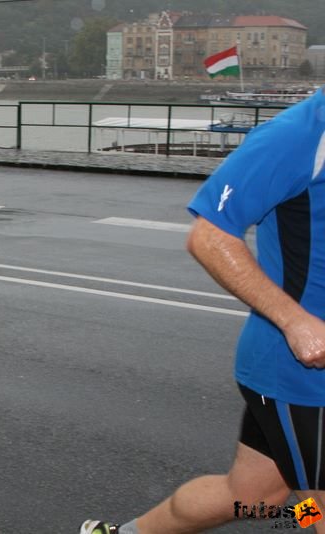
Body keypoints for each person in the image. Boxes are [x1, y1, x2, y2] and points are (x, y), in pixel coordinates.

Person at [80, 86, 325, 533]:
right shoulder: (298, 137)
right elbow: (210, 236)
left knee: (255, 499)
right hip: (303, 372)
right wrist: (296, 322)